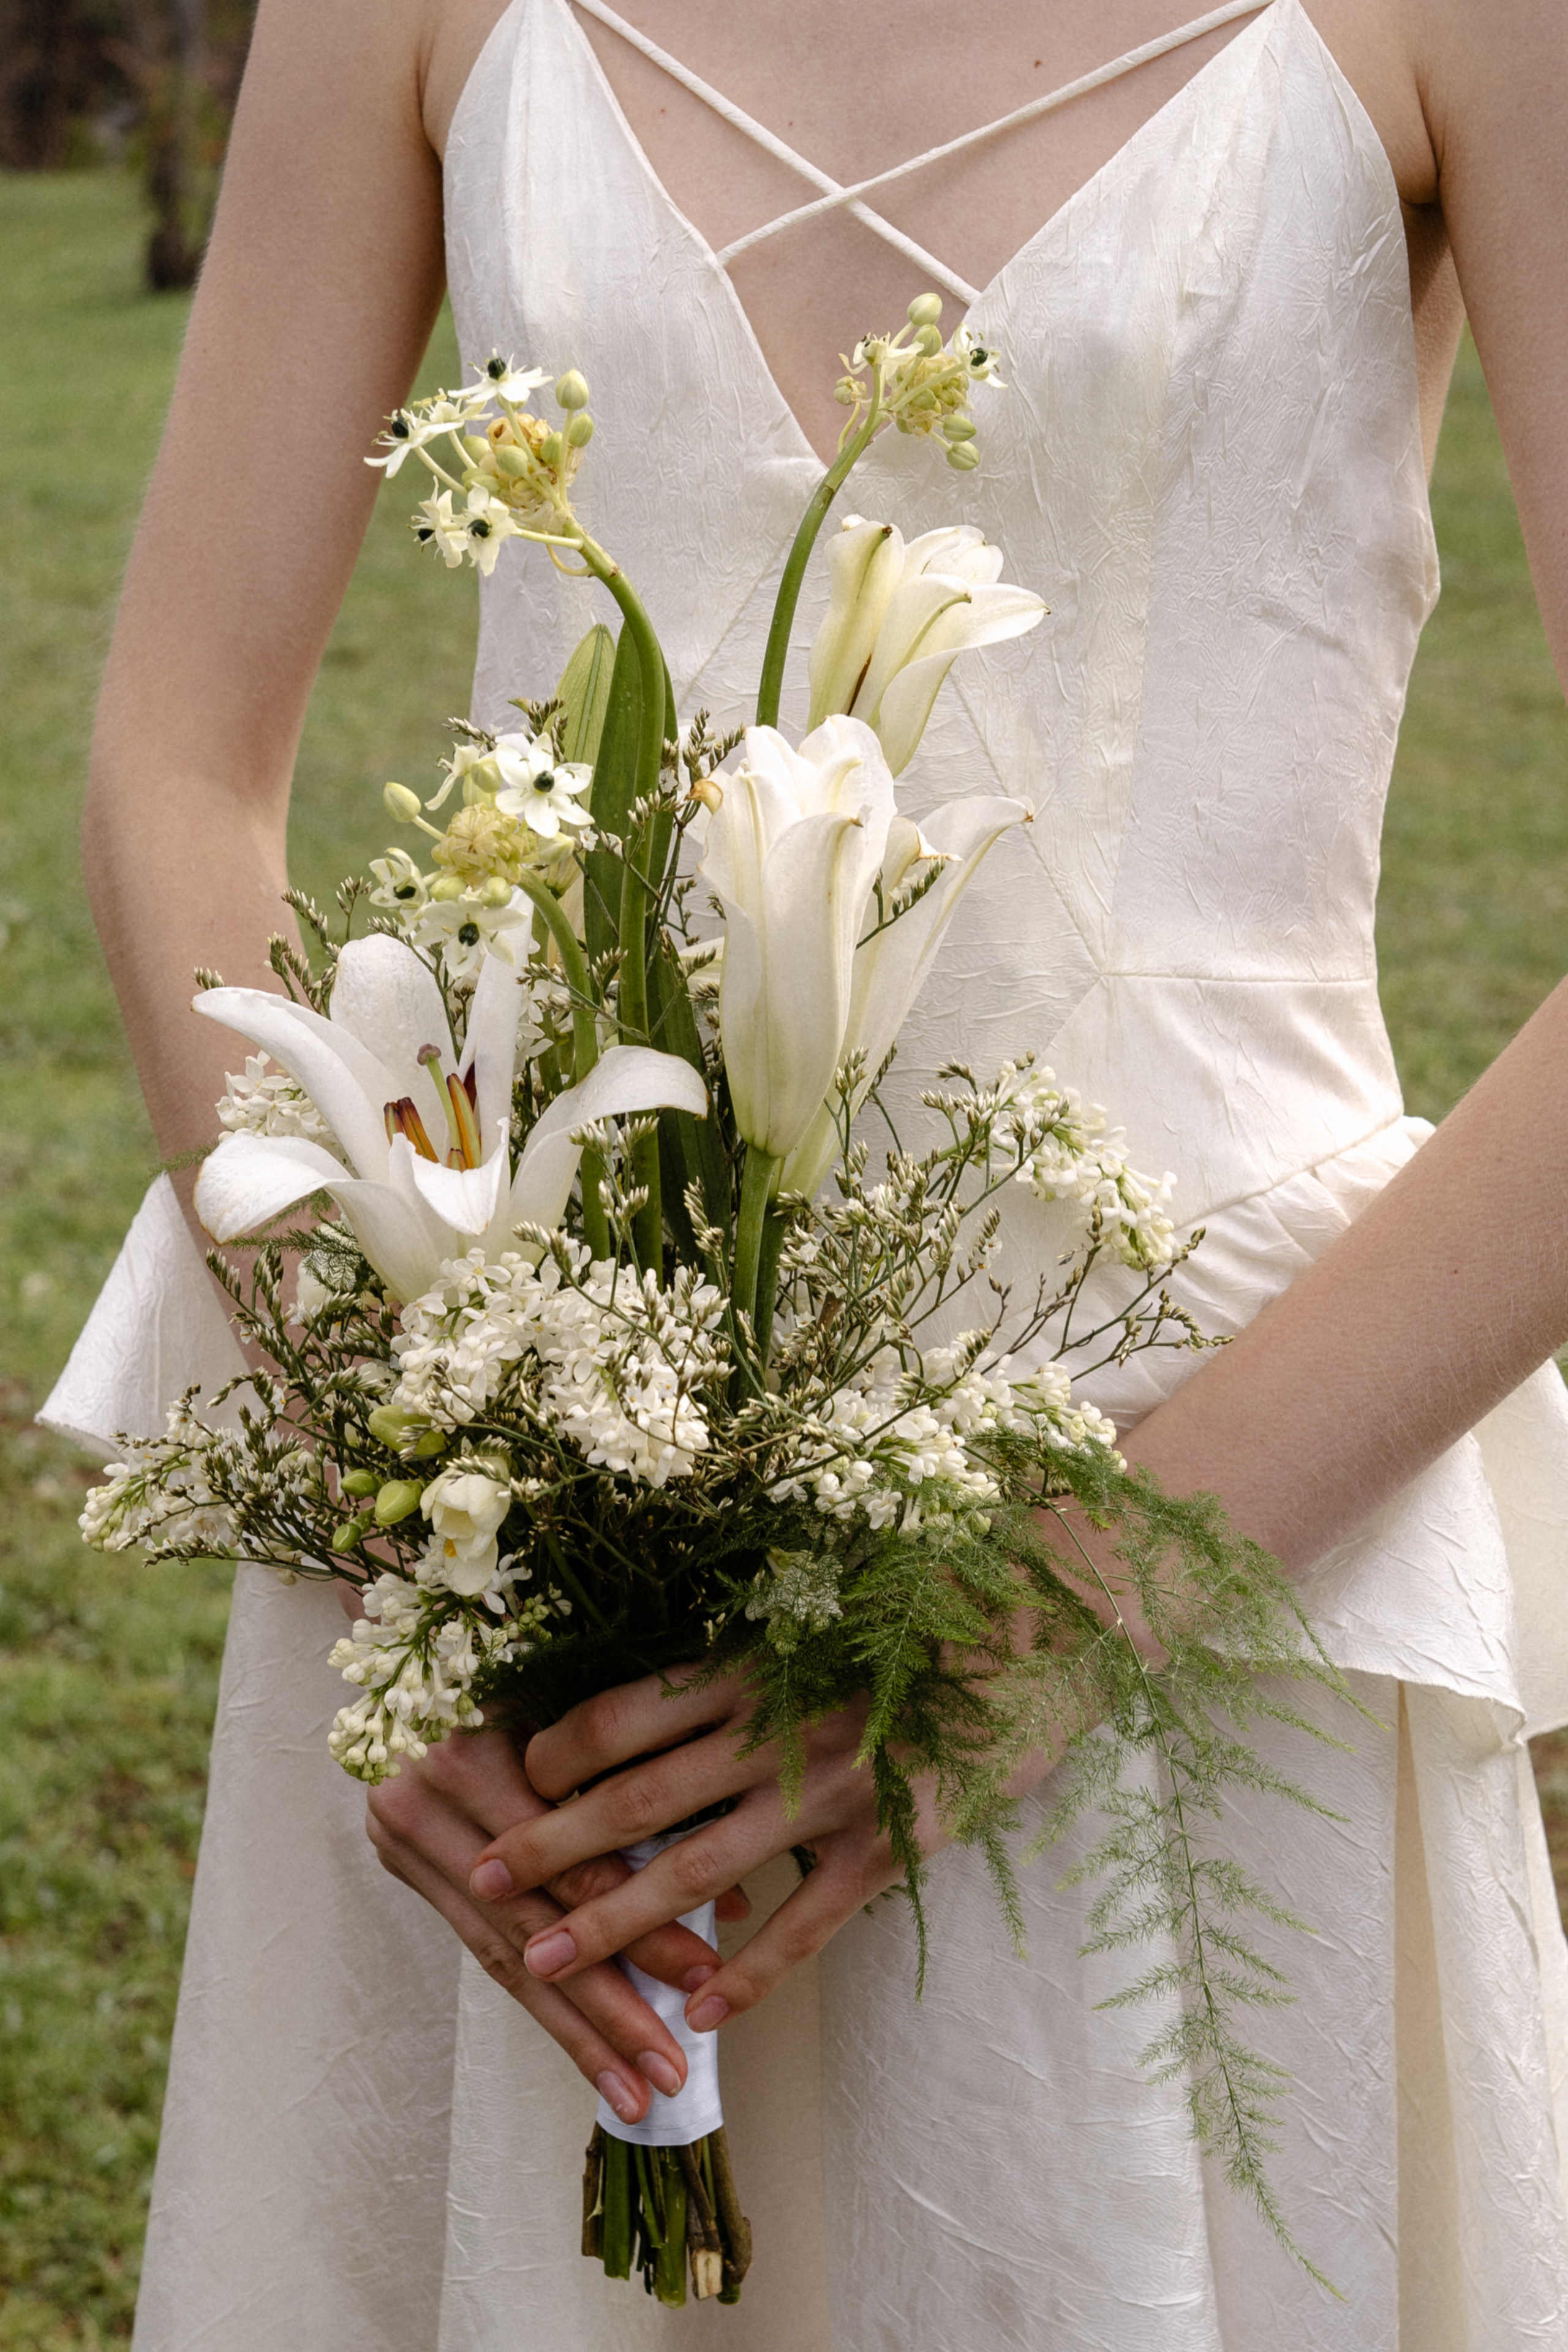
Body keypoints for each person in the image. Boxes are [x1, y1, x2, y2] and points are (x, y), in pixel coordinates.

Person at [45, 0, 1568, 2342]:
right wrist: (419, 1511)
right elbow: (177, 754)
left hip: (1201, 1517)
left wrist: (1042, 1620)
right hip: (530, 1557)